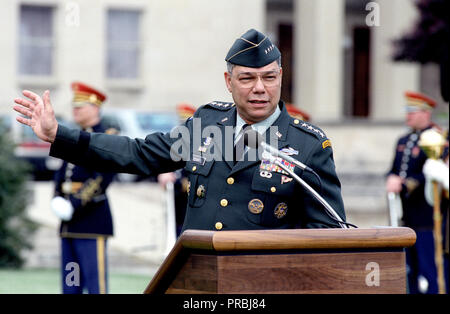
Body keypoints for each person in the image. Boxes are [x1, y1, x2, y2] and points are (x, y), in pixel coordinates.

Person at [13, 28, 347, 232]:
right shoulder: (206, 125)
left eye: (269, 77)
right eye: (247, 78)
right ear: (229, 82)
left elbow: (328, 232)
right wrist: (60, 135)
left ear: (280, 77)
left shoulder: (308, 145)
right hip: (197, 284)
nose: (260, 88)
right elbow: (138, 154)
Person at [51, 82, 116, 294]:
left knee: (96, 286)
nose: (75, 110)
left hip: (91, 220)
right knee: (71, 285)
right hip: (69, 224)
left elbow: (101, 178)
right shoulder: (74, 136)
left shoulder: (106, 136)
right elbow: (62, 173)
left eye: (81, 106)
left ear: (95, 107)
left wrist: (74, 204)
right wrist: (57, 198)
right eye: (74, 105)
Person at [385, 91, 439, 293]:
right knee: (409, 271)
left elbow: (434, 175)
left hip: (427, 216)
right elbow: (394, 169)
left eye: (412, 112)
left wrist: (406, 183)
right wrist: (390, 178)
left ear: (425, 113)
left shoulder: (435, 139)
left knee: (429, 270)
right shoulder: (403, 140)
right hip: (405, 216)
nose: (408, 116)